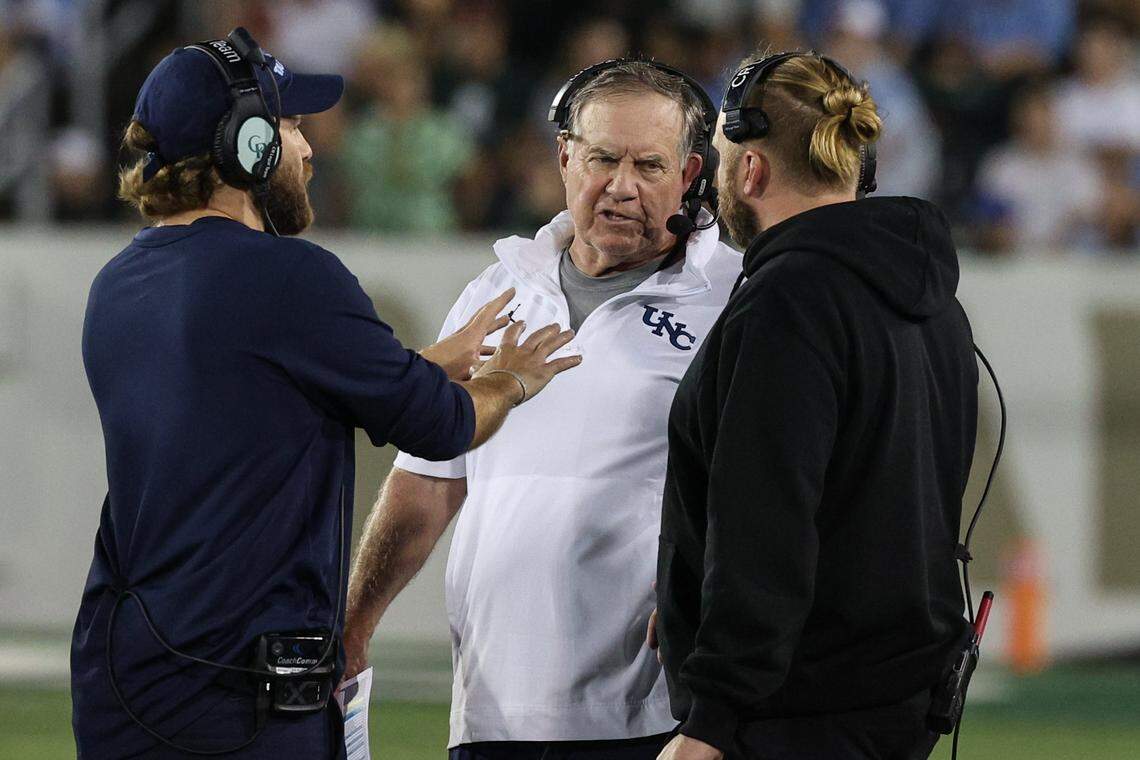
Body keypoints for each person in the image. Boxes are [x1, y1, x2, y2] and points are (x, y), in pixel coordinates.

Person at [70, 29, 577, 759]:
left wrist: (424, 363)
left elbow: (258, 401)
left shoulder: (118, 284)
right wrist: (511, 378)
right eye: (292, 126)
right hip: (234, 696)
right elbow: (442, 427)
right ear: (247, 146)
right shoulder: (291, 277)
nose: (309, 149)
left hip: (126, 677)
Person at [341, 60, 741, 759]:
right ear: (563, 157)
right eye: (601, 158)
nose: (621, 186)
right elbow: (426, 485)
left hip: (654, 716)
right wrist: (354, 623)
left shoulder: (732, 298)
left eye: (649, 165)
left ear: (689, 172)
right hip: (493, 710)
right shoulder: (497, 290)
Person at [653, 51, 980, 760]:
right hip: (896, 705)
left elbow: (767, 521)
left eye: (718, 155)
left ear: (752, 169)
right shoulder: (935, 307)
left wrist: (713, 716)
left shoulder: (788, 301)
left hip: (792, 715)